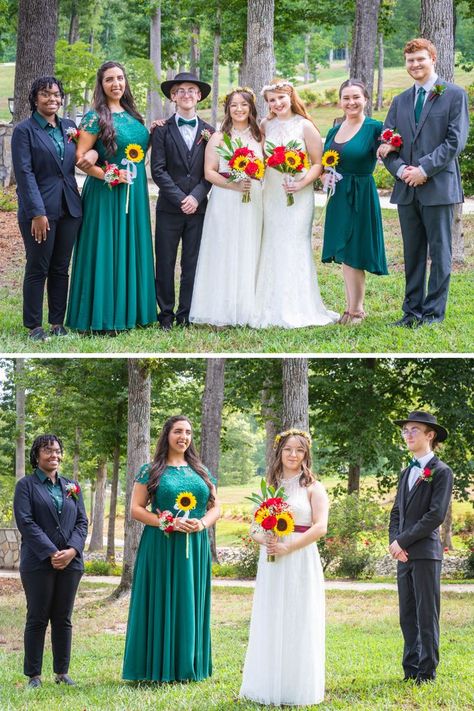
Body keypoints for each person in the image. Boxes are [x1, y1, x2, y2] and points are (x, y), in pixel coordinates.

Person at [122, 415, 220, 682]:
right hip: (161, 546)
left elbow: (216, 508)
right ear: (167, 435)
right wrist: (167, 522)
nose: (183, 437)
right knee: (161, 600)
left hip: (195, 546)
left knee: (190, 600)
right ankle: (156, 666)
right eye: (178, 431)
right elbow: (135, 510)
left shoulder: (201, 470)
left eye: (188, 432)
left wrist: (201, 524)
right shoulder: (151, 470)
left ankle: (189, 666)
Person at [380, 38, 469, 327]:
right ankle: (411, 312)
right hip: (407, 188)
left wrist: (424, 169)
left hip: (438, 187)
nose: (415, 64)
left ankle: (432, 314)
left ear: (433, 59)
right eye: (410, 60)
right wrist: (402, 169)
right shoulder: (400, 100)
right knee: (413, 253)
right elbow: (386, 143)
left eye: (420, 59)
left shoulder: (453, 95)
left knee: (440, 253)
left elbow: (455, 141)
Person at [65, 61, 157, 333]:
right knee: (106, 247)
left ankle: (134, 311)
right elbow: (80, 158)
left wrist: (156, 128)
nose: (116, 83)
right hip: (106, 192)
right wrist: (107, 174)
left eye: (120, 78)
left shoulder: (133, 115)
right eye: (109, 80)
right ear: (101, 85)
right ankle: (103, 315)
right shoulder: (95, 117)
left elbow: (137, 146)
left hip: (135, 192)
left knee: (132, 246)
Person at [240, 429, 329, 706]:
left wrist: (289, 546)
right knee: (272, 615)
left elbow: (320, 527)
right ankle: (267, 685)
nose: (293, 455)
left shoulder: (314, 487)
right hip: (272, 561)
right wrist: (264, 539)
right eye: (288, 449)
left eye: (299, 450)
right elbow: (254, 527)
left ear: (306, 454)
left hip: (300, 557)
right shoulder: (270, 487)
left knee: (298, 617)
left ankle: (296, 687)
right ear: (279, 452)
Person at [251, 80, 338, 328]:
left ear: (290, 96)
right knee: (272, 242)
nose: (277, 104)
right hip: (273, 192)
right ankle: (268, 304)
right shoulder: (265, 124)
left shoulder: (305, 126)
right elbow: (260, 155)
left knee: (293, 244)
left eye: (280, 98)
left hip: (298, 194)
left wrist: (300, 184)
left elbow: (318, 163)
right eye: (271, 100)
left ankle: (297, 306)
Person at [13, 434, 88, 688]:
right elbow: (26, 522)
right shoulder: (26, 486)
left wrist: (72, 550)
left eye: (57, 451)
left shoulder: (71, 486)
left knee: (63, 617)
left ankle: (61, 673)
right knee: (37, 617)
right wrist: (51, 552)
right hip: (37, 562)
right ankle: (34, 676)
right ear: (37, 455)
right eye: (47, 451)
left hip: (71, 563)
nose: (53, 455)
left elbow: (81, 522)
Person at [11, 76, 82, 342]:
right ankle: (33, 326)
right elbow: (25, 173)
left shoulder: (69, 127)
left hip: (70, 207)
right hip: (39, 211)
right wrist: (37, 213)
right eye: (45, 94)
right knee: (38, 266)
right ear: (35, 98)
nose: (52, 99)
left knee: (61, 267)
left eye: (56, 94)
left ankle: (57, 323)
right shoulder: (24, 131)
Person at [189, 87, 263, 326]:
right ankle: (220, 307)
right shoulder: (219, 137)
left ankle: (246, 306)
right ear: (227, 110)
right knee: (224, 248)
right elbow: (209, 173)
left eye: (244, 105)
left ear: (251, 108)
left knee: (249, 247)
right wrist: (233, 185)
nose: (239, 109)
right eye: (234, 105)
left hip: (253, 200)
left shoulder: (259, 136)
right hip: (225, 199)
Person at [389, 411, 453, 684]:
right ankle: (410, 669)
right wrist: (394, 543)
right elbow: (396, 513)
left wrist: (403, 540)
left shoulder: (441, 471)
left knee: (427, 614)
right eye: (405, 430)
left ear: (430, 435)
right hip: (403, 556)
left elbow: (435, 515)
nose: (408, 434)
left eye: (414, 429)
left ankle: (427, 672)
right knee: (407, 614)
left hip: (426, 553)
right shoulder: (406, 472)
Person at [151, 72, 214, 330]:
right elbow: (158, 170)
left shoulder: (211, 132)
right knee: (165, 261)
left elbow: (211, 171)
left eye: (191, 90)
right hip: (169, 208)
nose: (186, 94)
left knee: (192, 262)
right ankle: (165, 314)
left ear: (199, 96)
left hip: (199, 209)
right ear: (173, 97)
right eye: (181, 90)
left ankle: (185, 313)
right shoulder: (161, 130)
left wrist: (196, 197)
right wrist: (181, 199)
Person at [322, 80, 388, 325]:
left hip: (361, 191)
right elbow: (325, 161)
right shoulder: (334, 129)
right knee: (345, 250)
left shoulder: (375, 128)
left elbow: (391, 148)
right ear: (340, 101)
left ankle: (358, 310)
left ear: (366, 99)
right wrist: (324, 174)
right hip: (338, 193)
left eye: (356, 97)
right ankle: (349, 308)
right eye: (346, 98)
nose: (351, 102)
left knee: (355, 249)